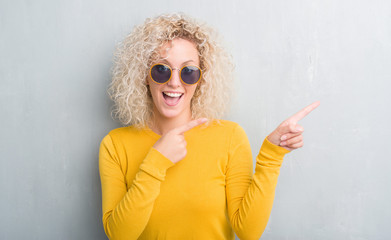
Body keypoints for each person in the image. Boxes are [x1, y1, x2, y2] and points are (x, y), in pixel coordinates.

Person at [99, 13, 319, 240]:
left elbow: (248, 232)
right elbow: (119, 235)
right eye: (162, 69)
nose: (174, 82)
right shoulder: (115, 145)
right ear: (144, 75)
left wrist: (272, 156)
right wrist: (155, 162)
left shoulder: (229, 137)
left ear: (201, 79)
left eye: (188, 72)